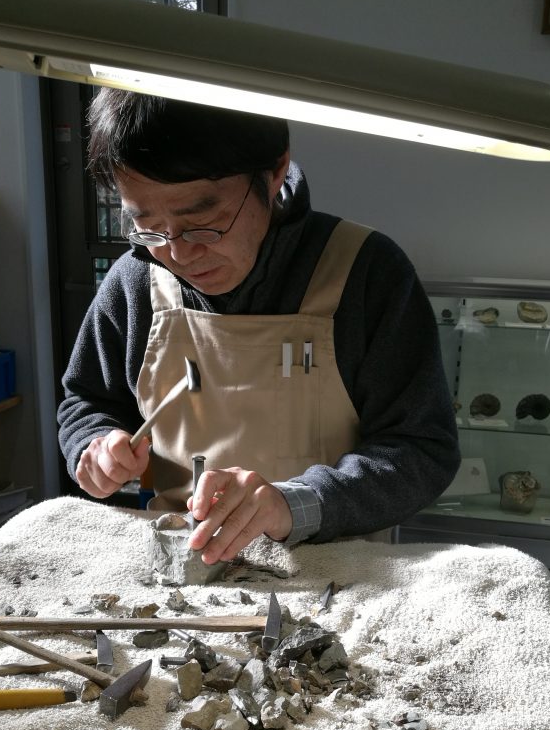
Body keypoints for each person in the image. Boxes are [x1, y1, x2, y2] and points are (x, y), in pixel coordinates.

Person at [57, 89, 460, 566]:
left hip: (337, 570)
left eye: (203, 222)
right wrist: (95, 446)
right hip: (183, 562)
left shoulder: (365, 273)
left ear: (274, 170)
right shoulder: (136, 281)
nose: (179, 254)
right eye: (148, 225)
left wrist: (296, 503)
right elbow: (87, 401)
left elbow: (421, 449)